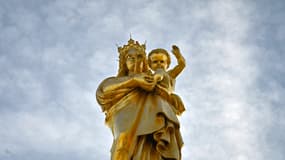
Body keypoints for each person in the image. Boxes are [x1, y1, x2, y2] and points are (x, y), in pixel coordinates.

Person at [96, 38, 183, 160]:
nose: (134, 60)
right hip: (124, 111)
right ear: (123, 62)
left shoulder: (151, 78)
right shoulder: (113, 81)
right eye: (129, 57)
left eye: (138, 56)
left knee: (153, 146)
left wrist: (166, 94)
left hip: (152, 113)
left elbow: (165, 81)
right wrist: (134, 81)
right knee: (123, 139)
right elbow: (103, 92)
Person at [148, 45, 186, 115]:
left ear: (167, 64)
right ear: (150, 65)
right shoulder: (149, 75)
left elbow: (181, 65)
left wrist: (178, 55)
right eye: (155, 62)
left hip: (166, 96)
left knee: (160, 72)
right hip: (152, 96)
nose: (159, 63)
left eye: (162, 61)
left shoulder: (170, 74)